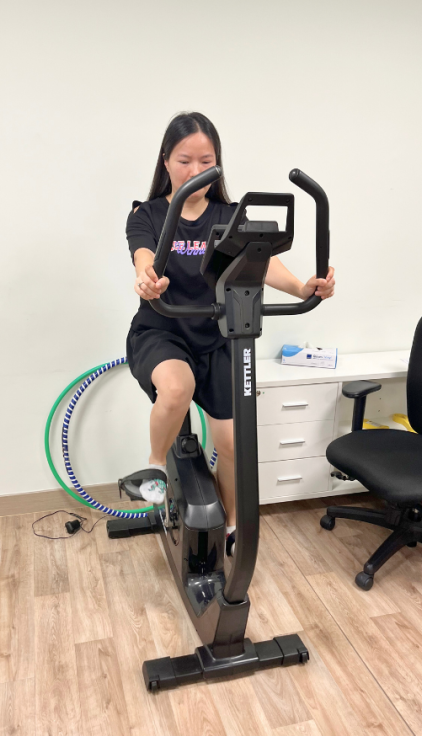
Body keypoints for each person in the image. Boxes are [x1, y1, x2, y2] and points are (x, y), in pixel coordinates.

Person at [121, 112, 336, 551]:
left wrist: (301, 287)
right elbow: (144, 256)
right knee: (177, 389)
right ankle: (156, 466)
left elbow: (262, 261)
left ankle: (233, 525)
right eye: (185, 161)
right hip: (162, 330)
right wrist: (147, 278)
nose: (195, 172)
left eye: (206, 161)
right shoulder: (148, 214)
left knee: (233, 444)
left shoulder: (229, 214)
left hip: (218, 336)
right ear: (166, 162)